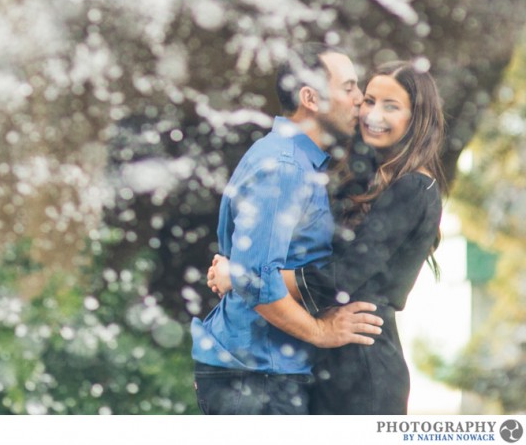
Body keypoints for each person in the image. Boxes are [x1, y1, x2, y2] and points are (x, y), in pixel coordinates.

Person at [207, 59, 446, 414]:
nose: (371, 114)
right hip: (326, 360)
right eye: (368, 100)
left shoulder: (415, 187)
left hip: (361, 363)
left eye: (390, 106)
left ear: (417, 118)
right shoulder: (369, 178)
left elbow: (340, 279)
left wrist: (242, 276)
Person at [191, 43, 383, 415]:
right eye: (349, 87)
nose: (360, 99)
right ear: (310, 98)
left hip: (261, 371)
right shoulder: (284, 168)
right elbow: (256, 281)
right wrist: (322, 332)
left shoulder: (294, 160)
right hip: (257, 374)